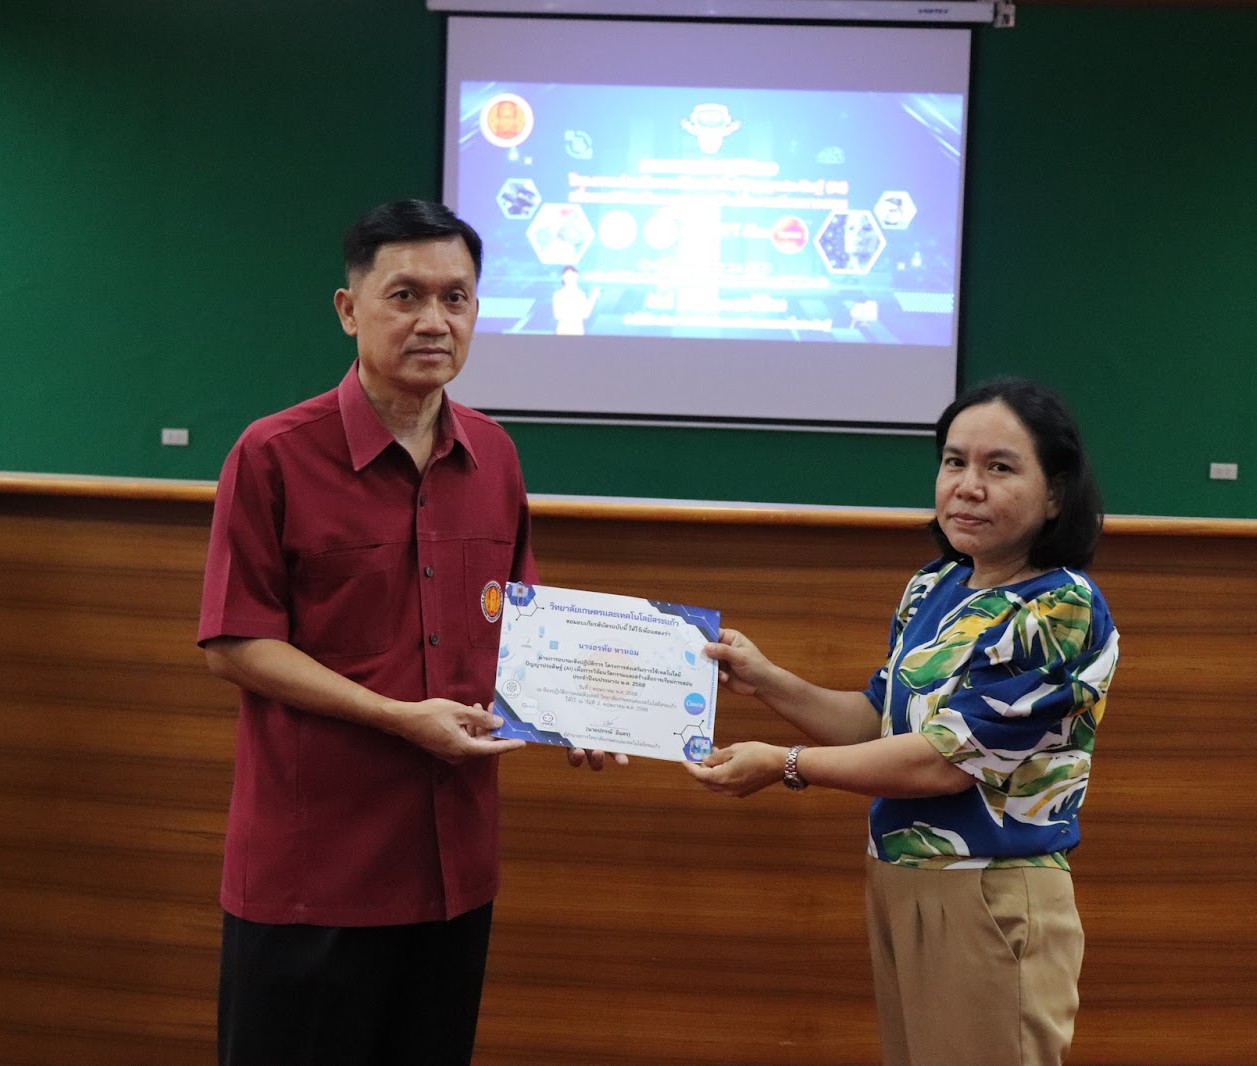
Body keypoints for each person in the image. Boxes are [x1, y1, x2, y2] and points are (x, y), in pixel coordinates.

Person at [197, 199, 619, 1066]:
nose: (434, 321)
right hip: (315, 872)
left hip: (453, 871)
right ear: (349, 310)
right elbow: (236, 643)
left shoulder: (495, 457)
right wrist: (396, 717)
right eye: (406, 296)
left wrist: (576, 709)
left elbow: (521, 627)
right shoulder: (273, 454)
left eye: (455, 298)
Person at [687, 377, 1120, 1066]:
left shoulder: (1057, 608)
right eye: (954, 462)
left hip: (989, 890)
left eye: (999, 467)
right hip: (899, 879)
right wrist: (766, 679)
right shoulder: (935, 585)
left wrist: (786, 765)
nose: (968, 487)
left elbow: (941, 762)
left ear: (1055, 494)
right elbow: (876, 722)